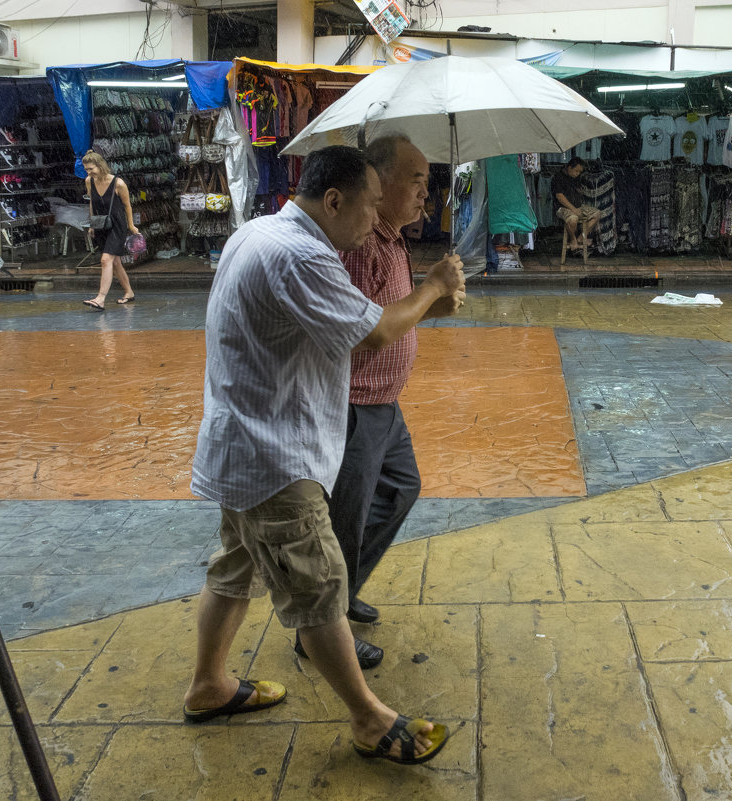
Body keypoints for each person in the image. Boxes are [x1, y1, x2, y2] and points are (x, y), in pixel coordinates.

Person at [184, 145, 465, 766]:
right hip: (274, 455)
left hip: (245, 442)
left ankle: (209, 683)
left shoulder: (259, 231)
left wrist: (422, 296)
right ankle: (370, 718)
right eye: (367, 208)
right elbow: (374, 332)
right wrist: (432, 288)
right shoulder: (301, 255)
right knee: (318, 589)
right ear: (332, 200)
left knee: (236, 569)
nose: (371, 224)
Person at [318, 134, 464, 649]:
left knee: (400, 490)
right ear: (381, 181)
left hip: (384, 401)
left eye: (429, 181)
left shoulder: (393, 239)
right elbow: (364, 332)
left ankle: (344, 587)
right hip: (355, 403)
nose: (427, 192)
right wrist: (431, 288)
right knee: (343, 522)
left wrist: (435, 302)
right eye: (417, 180)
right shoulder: (363, 246)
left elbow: (396, 314)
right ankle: (321, 629)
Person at [81, 151, 139, 310]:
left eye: (91, 168)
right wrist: (92, 223)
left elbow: (128, 206)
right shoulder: (89, 181)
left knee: (106, 260)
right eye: (86, 169)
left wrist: (131, 225)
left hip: (117, 225)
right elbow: (92, 202)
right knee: (115, 262)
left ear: (100, 165)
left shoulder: (118, 183)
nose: (89, 172)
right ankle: (129, 292)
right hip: (101, 224)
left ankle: (100, 298)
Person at [551, 156, 598, 254]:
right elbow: (560, 196)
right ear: (569, 168)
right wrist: (574, 209)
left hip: (578, 206)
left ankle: (581, 238)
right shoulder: (558, 177)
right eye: (576, 171)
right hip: (562, 208)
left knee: (597, 214)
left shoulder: (576, 178)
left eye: (579, 172)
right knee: (573, 219)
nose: (578, 174)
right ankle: (573, 240)